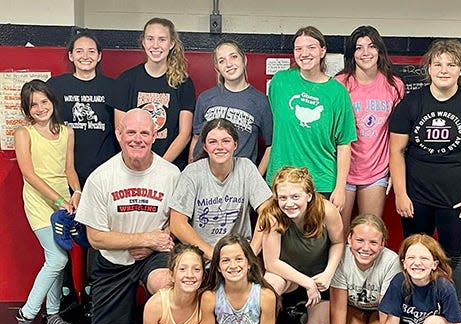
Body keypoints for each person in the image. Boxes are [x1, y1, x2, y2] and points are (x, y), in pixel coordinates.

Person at [389, 39, 461, 320]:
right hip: (416, 199)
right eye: (437, 64)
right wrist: (401, 194)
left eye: (450, 64)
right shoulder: (411, 104)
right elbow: (396, 150)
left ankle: (457, 316)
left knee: (453, 256)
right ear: (428, 68)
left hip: (458, 200)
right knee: (416, 256)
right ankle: (415, 310)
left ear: (460, 70)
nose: (443, 70)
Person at [75, 108, 180, 324]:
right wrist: (144, 239)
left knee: (164, 283)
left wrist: (156, 243)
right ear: (119, 134)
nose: (137, 139)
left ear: (154, 135)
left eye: (144, 132)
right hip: (114, 259)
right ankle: (127, 313)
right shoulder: (101, 178)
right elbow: (96, 238)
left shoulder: (171, 174)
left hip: (155, 255)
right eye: (130, 132)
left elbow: (177, 221)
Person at [14, 79, 81, 324]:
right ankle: (27, 314)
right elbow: (29, 174)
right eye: (34, 105)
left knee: (55, 257)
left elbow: (69, 170)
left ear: (52, 101)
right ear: (27, 110)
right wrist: (58, 201)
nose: (41, 108)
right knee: (58, 259)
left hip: (63, 202)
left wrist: (76, 193)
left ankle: (52, 313)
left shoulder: (67, 132)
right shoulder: (24, 133)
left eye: (44, 101)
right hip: (40, 202)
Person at [266, 26, 357, 211]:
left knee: (316, 239)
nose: (304, 53)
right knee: (277, 238)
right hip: (281, 182)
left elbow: (344, 144)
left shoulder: (337, 92)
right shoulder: (280, 82)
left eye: (311, 47)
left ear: (323, 51)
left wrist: (340, 188)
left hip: (321, 182)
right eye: (298, 48)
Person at [258, 167, 344, 324]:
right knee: (270, 283)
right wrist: (307, 283)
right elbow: (271, 263)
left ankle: (302, 314)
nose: (289, 203)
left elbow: (338, 243)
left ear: (309, 195)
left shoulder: (326, 210)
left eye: (295, 197)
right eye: (283, 198)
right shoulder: (272, 215)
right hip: (288, 276)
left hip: (318, 277)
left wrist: (328, 274)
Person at [335, 26, 405, 233]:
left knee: (369, 231)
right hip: (343, 171)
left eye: (371, 46)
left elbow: (398, 133)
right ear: (352, 54)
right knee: (339, 233)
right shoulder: (340, 84)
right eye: (359, 48)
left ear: (379, 50)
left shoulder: (394, 85)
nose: (365, 52)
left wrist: (395, 170)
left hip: (376, 170)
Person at [170, 118, 272, 260]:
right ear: (205, 146)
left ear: (235, 144)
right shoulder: (192, 172)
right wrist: (212, 254)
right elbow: (176, 223)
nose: (220, 147)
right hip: (201, 256)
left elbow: (268, 211)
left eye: (226, 141)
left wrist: (252, 251)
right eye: (213, 142)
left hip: (238, 256)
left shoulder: (246, 168)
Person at [114, 17, 195, 171]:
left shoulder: (183, 83)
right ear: (143, 42)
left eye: (162, 39)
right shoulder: (126, 80)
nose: (155, 45)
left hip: (170, 166)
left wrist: (160, 167)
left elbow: (184, 134)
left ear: (171, 44)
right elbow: (121, 130)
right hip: (134, 165)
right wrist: (139, 162)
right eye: (150, 39)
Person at [189, 40, 273, 174]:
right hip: (205, 175)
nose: (229, 64)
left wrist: (256, 176)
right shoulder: (205, 98)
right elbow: (196, 138)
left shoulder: (260, 101)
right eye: (222, 61)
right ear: (217, 68)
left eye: (234, 57)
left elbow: (271, 146)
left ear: (244, 60)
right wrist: (191, 171)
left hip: (239, 178)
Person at [47, 31, 118, 187]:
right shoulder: (55, 85)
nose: (85, 56)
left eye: (91, 51)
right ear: (71, 56)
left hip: (104, 170)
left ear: (99, 56)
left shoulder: (113, 87)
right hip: (65, 169)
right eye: (79, 51)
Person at [330, 214, 401, 324]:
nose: (366, 248)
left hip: (378, 311)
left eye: (374, 242)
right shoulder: (340, 256)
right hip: (352, 308)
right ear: (349, 238)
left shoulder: (391, 262)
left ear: (382, 243)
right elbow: (338, 308)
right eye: (360, 240)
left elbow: (386, 309)